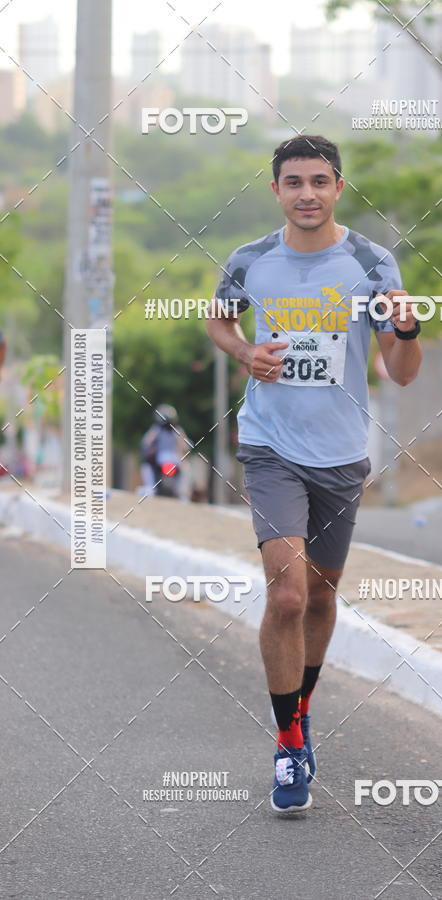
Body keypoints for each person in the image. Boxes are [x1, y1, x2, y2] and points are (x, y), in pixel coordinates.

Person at [206, 135, 422, 814]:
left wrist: (407, 332)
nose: (307, 194)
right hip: (269, 446)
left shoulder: (372, 263)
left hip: (340, 453)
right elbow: (218, 320)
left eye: (319, 181)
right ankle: (288, 742)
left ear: (338, 188)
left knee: (323, 597)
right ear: (276, 190)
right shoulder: (250, 260)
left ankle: (301, 711)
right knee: (289, 596)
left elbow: (401, 373)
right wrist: (244, 351)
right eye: (294, 182)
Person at [140, 404, 189, 499]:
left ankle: (150, 488)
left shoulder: (155, 430)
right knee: (186, 467)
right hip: (175, 460)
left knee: (146, 464)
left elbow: (146, 443)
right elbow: (185, 446)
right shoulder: (178, 431)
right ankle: (182, 493)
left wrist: (148, 450)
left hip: (160, 459)